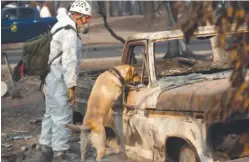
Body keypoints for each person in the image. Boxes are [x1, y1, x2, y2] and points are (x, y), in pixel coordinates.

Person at [39, 0, 92, 162]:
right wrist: (71, 86)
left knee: (50, 114)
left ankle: (45, 150)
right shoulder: (69, 32)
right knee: (62, 116)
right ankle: (60, 154)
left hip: (49, 78)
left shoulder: (61, 24)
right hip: (58, 80)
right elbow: (69, 61)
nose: (87, 22)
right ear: (76, 15)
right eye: (85, 18)